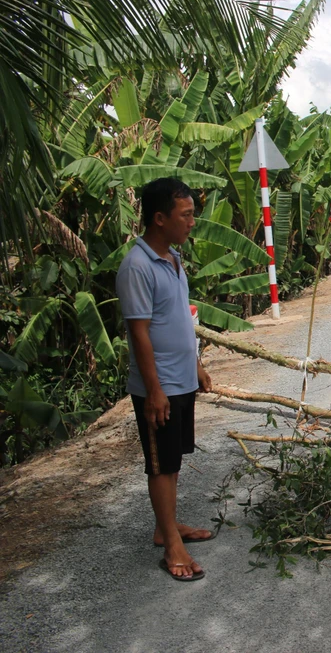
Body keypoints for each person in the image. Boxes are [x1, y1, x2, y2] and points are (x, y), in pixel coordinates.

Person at [117, 178, 214, 581]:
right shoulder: (137, 266)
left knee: (172, 461)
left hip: (181, 380)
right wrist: (154, 391)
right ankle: (171, 545)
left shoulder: (174, 259)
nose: (193, 221)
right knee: (159, 465)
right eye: (186, 215)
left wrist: (195, 366)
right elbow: (139, 333)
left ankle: (166, 527)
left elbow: (178, 322)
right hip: (158, 388)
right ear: (160, 219)